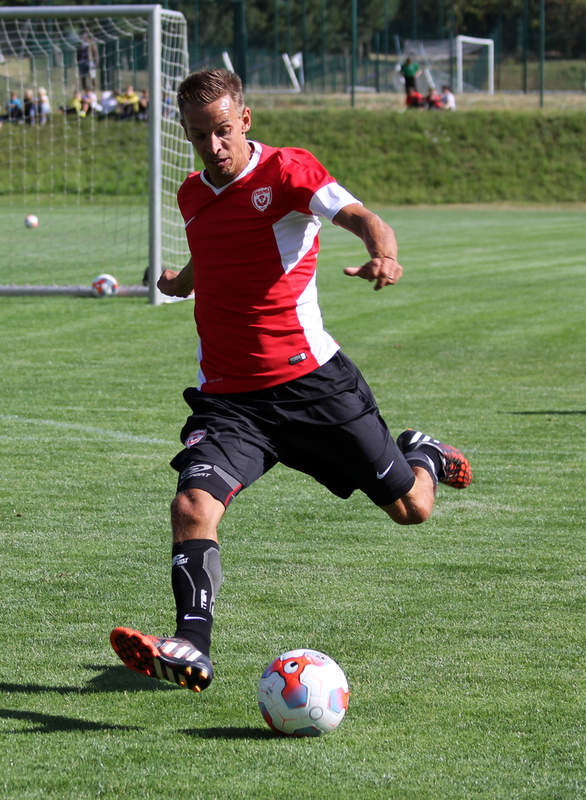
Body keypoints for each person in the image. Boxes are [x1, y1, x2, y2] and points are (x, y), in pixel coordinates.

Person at [109, 68, 472, 692]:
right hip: (230, 401)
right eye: (200, 137)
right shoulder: (192, 195)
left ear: (244, 120)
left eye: (223, 132)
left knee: (412, 510)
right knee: (192, 505)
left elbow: (359, 215)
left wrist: (382, 250)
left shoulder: (288, 172)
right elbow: (214, 255)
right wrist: (179, 283)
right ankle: (191, 646)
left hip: (314, 387)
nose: (214, 148)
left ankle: (423, 455)